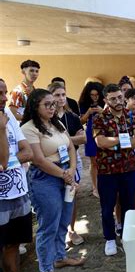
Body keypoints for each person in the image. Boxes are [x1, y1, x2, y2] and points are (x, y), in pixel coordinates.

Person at [21, 89, 85, 272]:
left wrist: (72, 170)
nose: (53, 107)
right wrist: (65, 175)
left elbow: (70, 147)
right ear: (35, 107)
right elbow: (38, 159)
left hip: (66, 174)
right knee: (48, 224)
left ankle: (59, 256)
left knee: (64, 219)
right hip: (45, 179)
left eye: (53, 103)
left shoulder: (56, 123)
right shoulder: (29, 128)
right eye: (47, 104)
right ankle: (46, 269)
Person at [93, 84, 135, 256]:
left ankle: (126, 235)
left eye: (120, 97)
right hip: (107, 170)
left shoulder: (132, 115)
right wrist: (125, 141)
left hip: (128, 167)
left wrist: (114, 143)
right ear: (106, 100)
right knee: (107, 206)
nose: (118, 101)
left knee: (128, 204)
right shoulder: (99, 117)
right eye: (113, 98)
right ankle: (109, 239)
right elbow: (101, 142)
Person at [0, 78, 35, 272]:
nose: (4, 98)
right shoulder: (3, 122)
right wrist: (1, 129)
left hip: (18, 191)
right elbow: (4, 159)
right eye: (0, 93)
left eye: (4, 92)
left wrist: (8, 160)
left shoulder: (8, 115)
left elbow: (28, 152)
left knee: (12, 243)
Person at [48, 82, 87, 246]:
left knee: (71, 195)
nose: (61, 98)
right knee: (55, 197)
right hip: (53, 161)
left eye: (63, 94)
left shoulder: (72, 117)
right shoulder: (47, 117)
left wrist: (61, 140)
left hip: (72, 159)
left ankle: (71, 229)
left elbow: (83, 138)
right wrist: (71, 139)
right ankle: (57, 230)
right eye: (57, 95)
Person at [79, 82, 104, 198]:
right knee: (93, 162)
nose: (95, 97)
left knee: (104, 160)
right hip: (90, 132)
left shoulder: (105, 102)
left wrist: (102, 111)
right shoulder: (84, 104)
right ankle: (95, 187)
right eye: (92, 95)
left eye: (97, 95)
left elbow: (111, 116)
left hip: (104, 132)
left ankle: (105, 185)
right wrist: (88, 112)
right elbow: (81, 121)